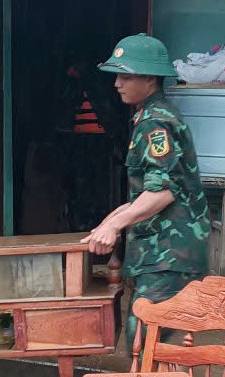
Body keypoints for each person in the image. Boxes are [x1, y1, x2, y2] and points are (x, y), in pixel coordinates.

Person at [82, 34, 211, 345]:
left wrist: (115, 226)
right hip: (161, 253)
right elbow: (148, 191)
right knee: (152, 344)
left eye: (126, 76)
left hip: (169, 254)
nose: (117, 84)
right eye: (117, 76)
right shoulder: (149, 116)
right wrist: (107, 223)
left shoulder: (156, 122)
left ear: (150, 78)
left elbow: (163, 192)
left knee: (143, 341)